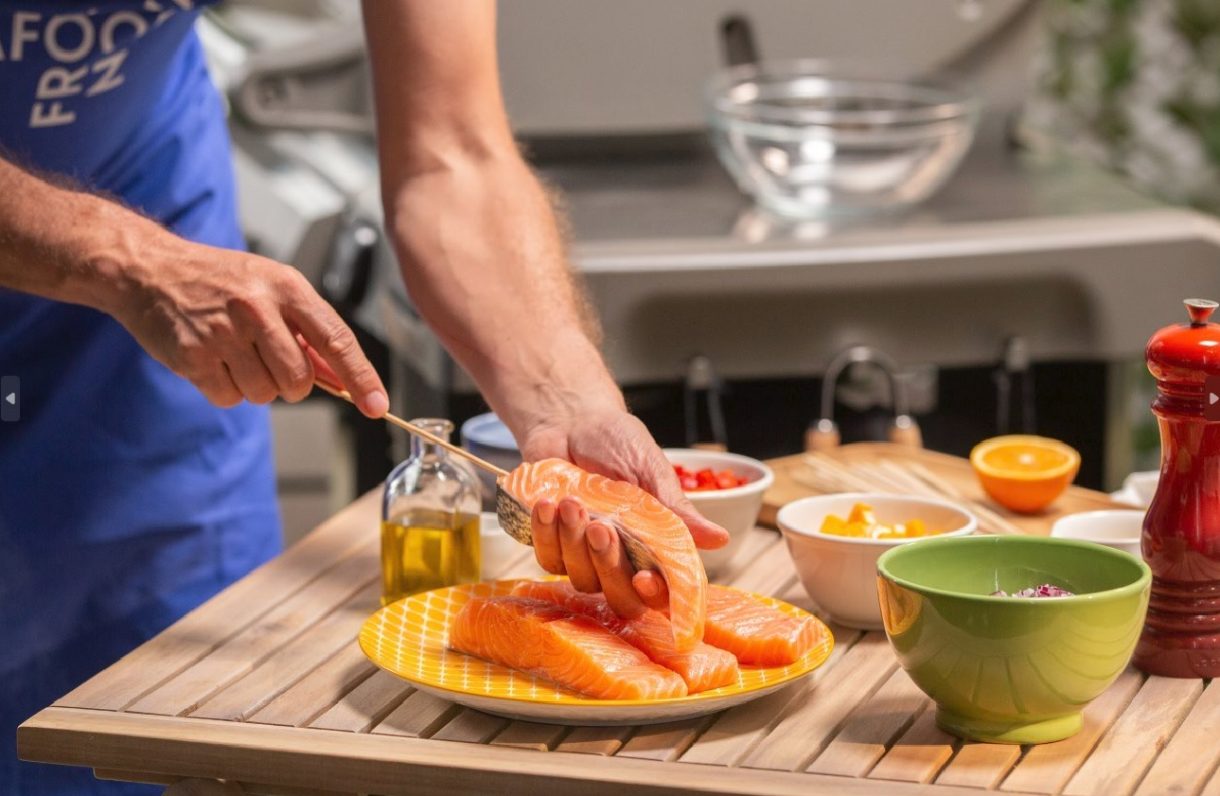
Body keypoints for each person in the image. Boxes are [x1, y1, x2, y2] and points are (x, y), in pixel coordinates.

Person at [0, 2, 725, 793]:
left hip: (146, 296)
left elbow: (453, 154)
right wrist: (125, 260)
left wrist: (565, 404)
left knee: (171, 731)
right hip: (138, 256)